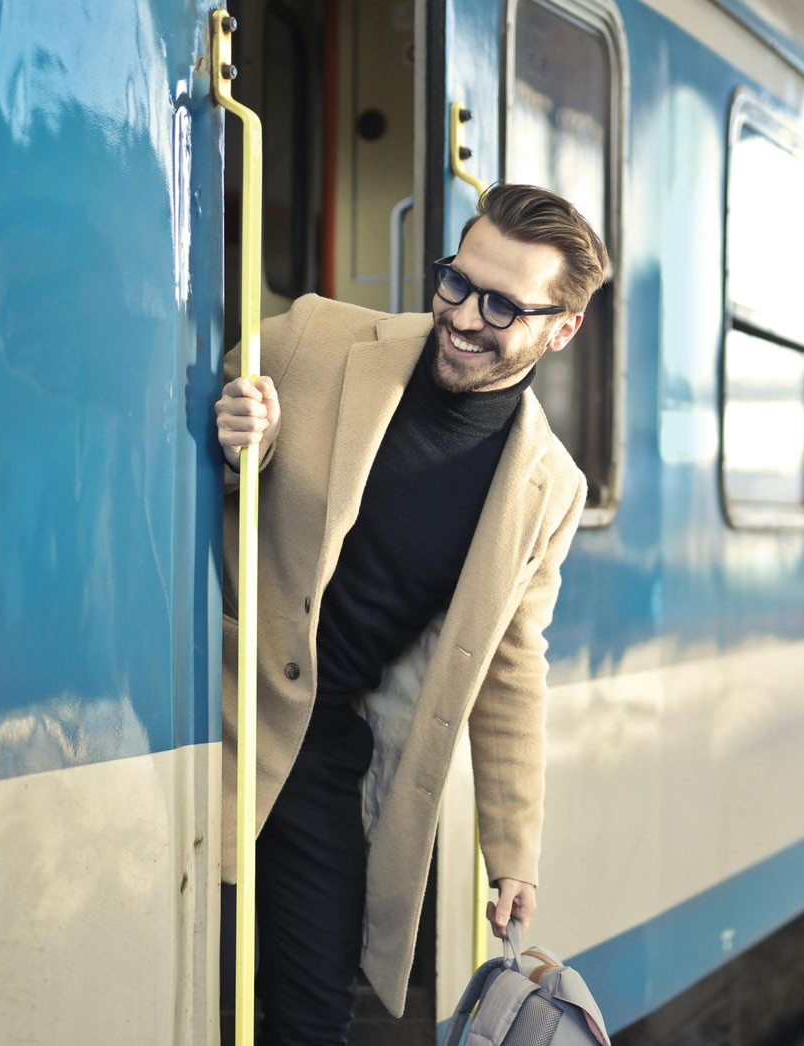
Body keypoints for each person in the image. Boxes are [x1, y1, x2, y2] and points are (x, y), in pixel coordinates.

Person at [215, 184, 606, 1044]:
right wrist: (241, 430)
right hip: (211, 708)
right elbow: (184, 396)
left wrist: (511, 851)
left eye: (502, 306)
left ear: (560, 329)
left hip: (321, 751)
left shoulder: (548, 489)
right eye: (457, 282)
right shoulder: (319, 338)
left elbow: (511, 666)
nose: (463, 316)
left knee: (313, 1020)